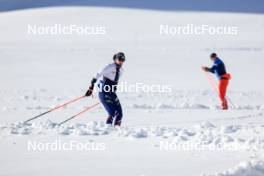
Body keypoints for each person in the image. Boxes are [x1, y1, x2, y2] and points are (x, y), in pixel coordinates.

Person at [85, 52, 125, 126]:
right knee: (112, 112)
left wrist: (114, 88)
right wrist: (91, 87)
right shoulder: (109, 67)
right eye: (119, 59)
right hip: (104, 92)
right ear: (115, 59)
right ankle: (108, 130)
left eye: (123, 60)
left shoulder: (121, 70)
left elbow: (114, 82)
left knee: (120, 113)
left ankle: (117, 130)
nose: (121, 61)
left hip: (112, 93)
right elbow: (97, 74)